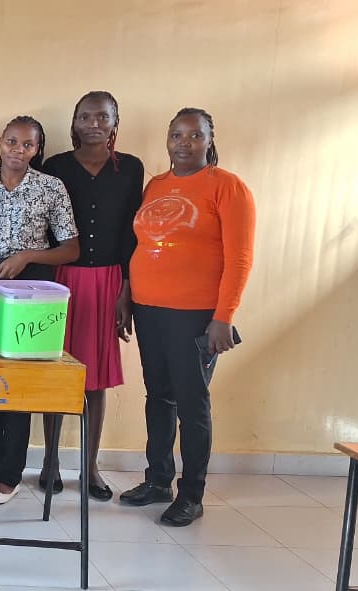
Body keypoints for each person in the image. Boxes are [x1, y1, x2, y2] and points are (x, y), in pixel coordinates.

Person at [118, 108, 254, 527]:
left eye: (195, 135)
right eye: (177, 134)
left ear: (210, 140)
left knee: (192, 404)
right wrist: (128, 298)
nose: (184, 143)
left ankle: (191, 494)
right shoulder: (157, 185)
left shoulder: (227, 187)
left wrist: (223, 317)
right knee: (158, 396)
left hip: (195, 317)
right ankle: (157, 480)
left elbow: (240, 259)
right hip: (148, 310)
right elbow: (140, 246)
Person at [0, 116, 79, 505]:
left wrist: (27, 256)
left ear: (37, 149)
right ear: (0, 142)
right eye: (12, 141)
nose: (18, 150)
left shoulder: (50, 188)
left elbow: (71, 248)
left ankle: (10, 473)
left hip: (32, 284)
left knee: (18, 377)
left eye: (28, 144)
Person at [37, 91, 144, 502]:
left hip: (108, 282)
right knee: (55, 372)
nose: (93, 123)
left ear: (115, 123)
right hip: (62, 280)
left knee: (94, 379)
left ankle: (91, 466)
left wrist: (126, 289)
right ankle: (49, 461)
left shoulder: (130, 168)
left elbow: (133, 233)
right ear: (74, 123)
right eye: (85, 116)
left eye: (102, 116)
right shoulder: (56, 166)